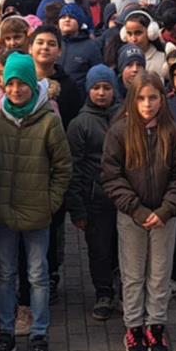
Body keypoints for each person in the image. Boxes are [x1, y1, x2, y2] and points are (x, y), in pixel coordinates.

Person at [0, 52, 72, 351]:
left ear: (33, 85)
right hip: (4, 212)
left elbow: (63, 167)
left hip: (37, 213)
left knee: (37, 276)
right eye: (10, 83)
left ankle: (39, 335)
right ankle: (6, 333)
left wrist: (50, 202)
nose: (15, 89)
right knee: (5, 274)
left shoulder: (49, 120)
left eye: (21, 83)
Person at [103, 72, 176, 351]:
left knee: (159, 273)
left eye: (153, 97)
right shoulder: (119, 132)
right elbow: (112, 177)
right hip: (132, 216)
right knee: (133, 274)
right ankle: (134, 326)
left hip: (165, 216)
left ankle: (156, 325)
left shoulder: (172, 131)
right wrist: (137, 210)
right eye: (141, 98)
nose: (147, 104)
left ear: (162, 99)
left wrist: (166, 209)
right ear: (132, 100)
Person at [66, 64, 119, 322]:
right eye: (96, 88)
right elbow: (73, 168)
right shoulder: (80, 124)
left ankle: (122, 287)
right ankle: (103, 292)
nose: (101, 93)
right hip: (94, 198)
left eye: (106, 88)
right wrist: (77, 208)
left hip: (123, 198)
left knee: (121, 247)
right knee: (99, 249)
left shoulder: (124, 116)